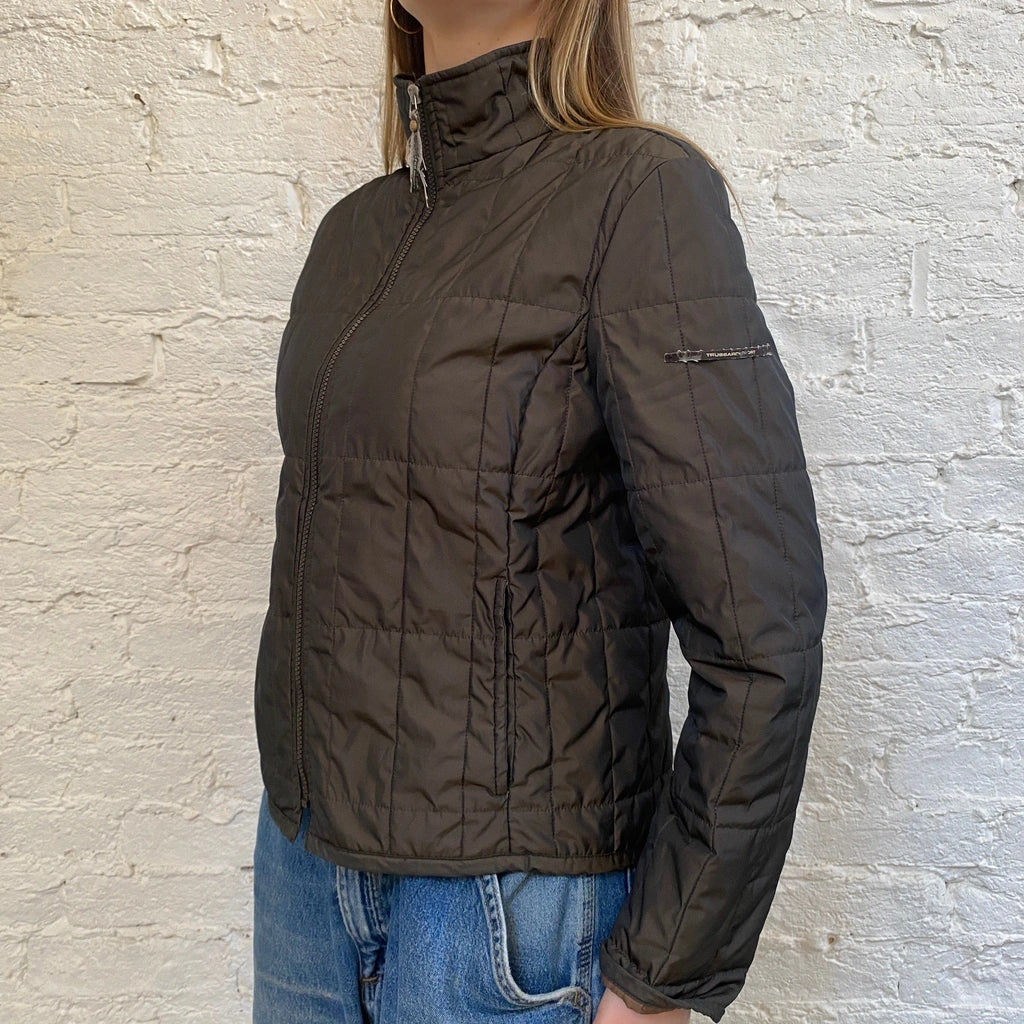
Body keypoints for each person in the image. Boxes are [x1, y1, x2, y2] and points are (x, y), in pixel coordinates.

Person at [251, 1, 828, 1022]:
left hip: (501, 913)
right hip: (306, 872)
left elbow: (761, 629)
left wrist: (664, 976)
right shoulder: (353, 234)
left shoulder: (640, 195)